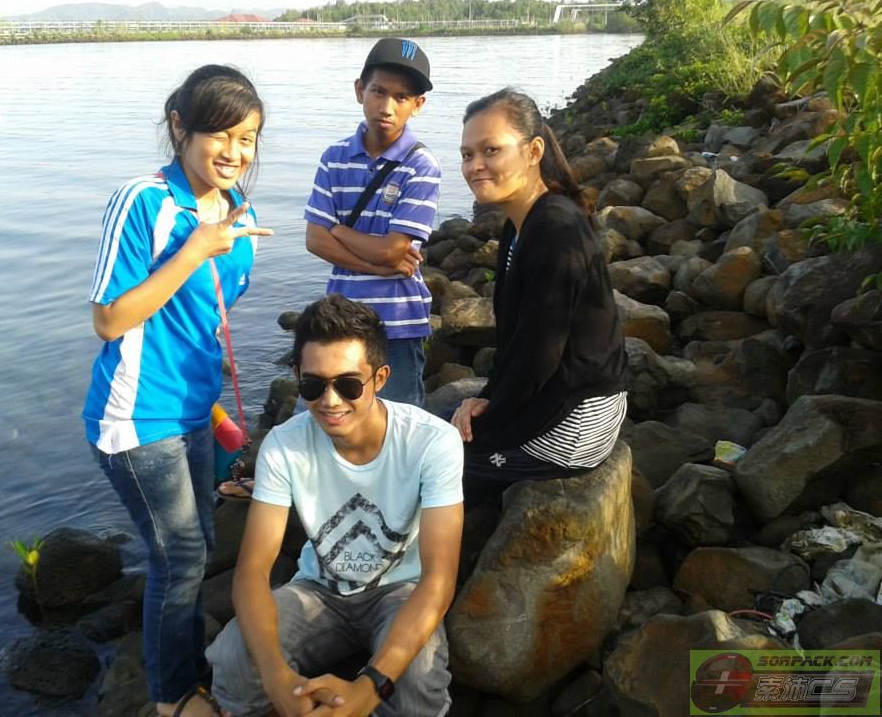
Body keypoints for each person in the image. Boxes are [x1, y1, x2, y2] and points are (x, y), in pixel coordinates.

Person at [82, 64, 273, 717]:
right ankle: (172, 698)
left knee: (198, 549)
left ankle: (187, 665)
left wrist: (214, 387)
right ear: (179, 127)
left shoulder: (240, 211)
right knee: (182, 556)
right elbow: (109, 319)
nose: (234, 152)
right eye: (220, 134)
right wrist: (194, 250)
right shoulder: (143, 201)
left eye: (247, 138)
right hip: (138, 416)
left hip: (195, 411)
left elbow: (206, 314)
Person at [206, 294, 464, 717]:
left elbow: (439, 578)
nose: (330, 401)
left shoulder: (432, 442)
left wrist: (372, 686)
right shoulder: (284, 446)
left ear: (380, 378)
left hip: (401, 591)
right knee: (235, 657)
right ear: (296, 376)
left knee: (418, 680)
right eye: (313, 385)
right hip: (318, 589)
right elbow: (252, 569)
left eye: (348, 384)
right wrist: (276, 677)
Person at [451, 88, 628, 506]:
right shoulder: (519, 226)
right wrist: (485, 398)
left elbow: (538, 355)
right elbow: (517, 342)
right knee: (439, 432)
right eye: (467, 155)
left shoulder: (556, 230)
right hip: (551, 394)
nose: (475, 166)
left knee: (429, 463)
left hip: (577, 418)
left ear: (533, 151)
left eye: (491, 150)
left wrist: (489, 417)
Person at [303, 37, 440, 408]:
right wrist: (377, 265)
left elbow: (393, 250)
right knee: (332, 417)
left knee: (397, 422)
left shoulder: (421, 165)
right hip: (341, 320)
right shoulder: (334, 157)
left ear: (418, 104)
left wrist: (339, 230)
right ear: (360, 90)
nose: (387, 106)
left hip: (398, 323)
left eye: (402, 97)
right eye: (379, 91)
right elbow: (315, 240)